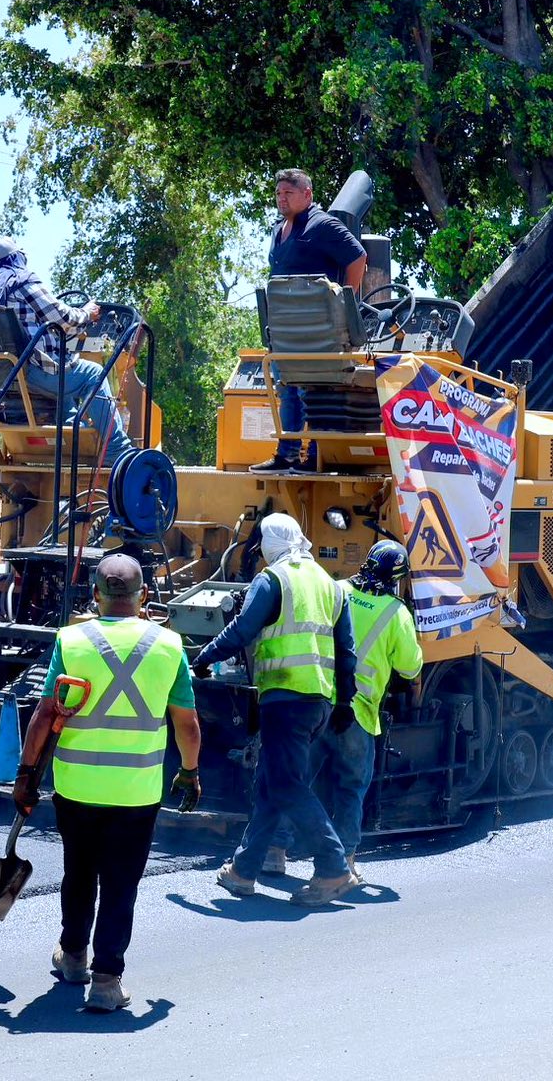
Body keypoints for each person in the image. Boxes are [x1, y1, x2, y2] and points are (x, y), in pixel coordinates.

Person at [12, 553, 200, 1013]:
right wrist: (189, 772)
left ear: (94, 595)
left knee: (79, 873)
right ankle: (106, 981)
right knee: (121, 883)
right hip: (136, 794)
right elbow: (187, 724)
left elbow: (43, 717)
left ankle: (73, 956)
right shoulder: (170, 645)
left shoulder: (72, 641)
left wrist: (24, 776)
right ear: (144, 598)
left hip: (77, 789)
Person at [197, 512, 360, 906]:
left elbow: (241, 630)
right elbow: (347, 652)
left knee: (286, 785)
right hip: (319, 702)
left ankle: (334, 866)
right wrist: (344, 701)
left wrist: (203, 657)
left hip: (285, 699)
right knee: (271, 784)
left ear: (270, 544)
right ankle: (243, 870)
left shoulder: (273, 580)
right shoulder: (330, 585)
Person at [263, 540, 424, 882]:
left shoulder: (337, 590)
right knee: (351, 790)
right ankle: (344, 862)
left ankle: (275, 851)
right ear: (397, 579)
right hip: (359, 714)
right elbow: (410, 667)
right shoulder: (397, 614)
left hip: (317, 703)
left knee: (296, 780)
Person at [0, 237, 137, 469]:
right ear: (18, 257)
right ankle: (116, 449)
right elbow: (63, 318)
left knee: (64, 379)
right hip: (28, 373)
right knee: (93, 374)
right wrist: (87, 313)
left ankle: (70, 438)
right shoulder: (21, 282)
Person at [254, 168, 369, 474]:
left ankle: (316, 455)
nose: (282, 199)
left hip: (318, 330)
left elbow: (358, 257)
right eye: (278, 193)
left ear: (307, 194)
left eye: (288, 193)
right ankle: (287, 453)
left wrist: (347, 301)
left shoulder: (323, 225)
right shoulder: (279, 229)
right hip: (285, 330)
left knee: (313, 391)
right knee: (287, 389)